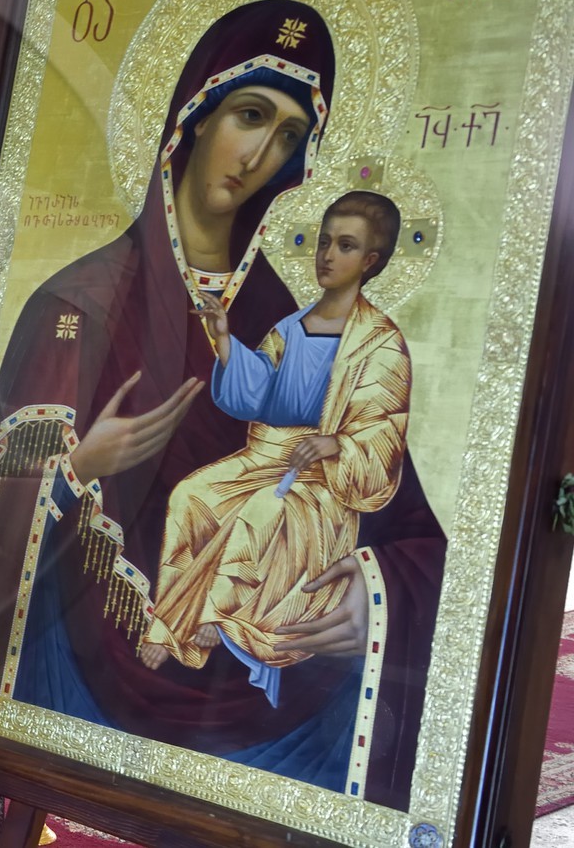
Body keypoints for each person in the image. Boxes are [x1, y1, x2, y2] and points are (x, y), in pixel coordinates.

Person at [0, 0, 444, 808]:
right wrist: (76, 469)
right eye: (250, 115)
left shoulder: (302, 317)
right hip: (90, 670)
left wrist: (370, 596)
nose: (260, 152)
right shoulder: (80, 303)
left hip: (279, 677)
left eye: (288, 135)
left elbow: (405, 518)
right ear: (193, 119)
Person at [139, 192, 411, 701]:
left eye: (346, 246)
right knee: (191, 496)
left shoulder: (380, 343)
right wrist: (224, 340)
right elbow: (258, 390)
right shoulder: (292, 326)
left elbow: (383, 435)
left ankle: (214, 620)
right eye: (324, 241)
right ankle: (166, 616)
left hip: (320, 484)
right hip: (263, 457)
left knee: (261, 513)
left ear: (370, 261)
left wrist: (335, 444)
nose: (328, 255)